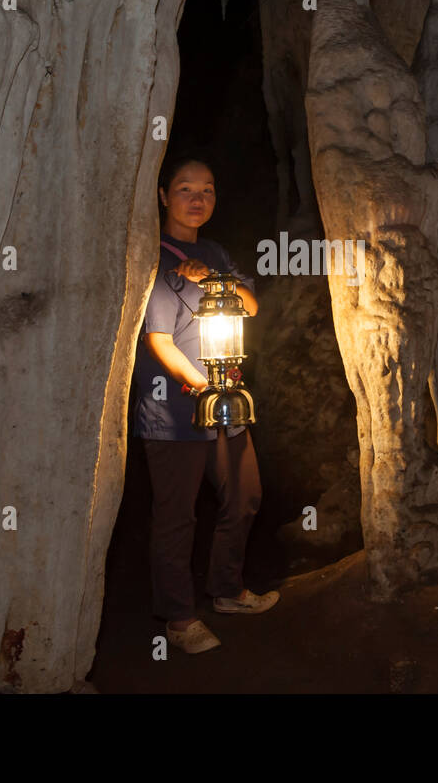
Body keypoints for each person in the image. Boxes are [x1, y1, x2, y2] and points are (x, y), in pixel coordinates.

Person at [130, 156, 279, 654]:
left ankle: (226, 590)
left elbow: (251, 307)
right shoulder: (152, 258)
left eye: (208, 190)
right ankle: (177, 617)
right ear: (162, 194)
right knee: (177, 515)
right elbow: (159, 340)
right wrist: (202, 389)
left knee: (244, 494)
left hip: (223, 400)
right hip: (173, 409)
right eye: (186, 189)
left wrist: (215, 278)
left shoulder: (214, 251)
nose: (197, 200)